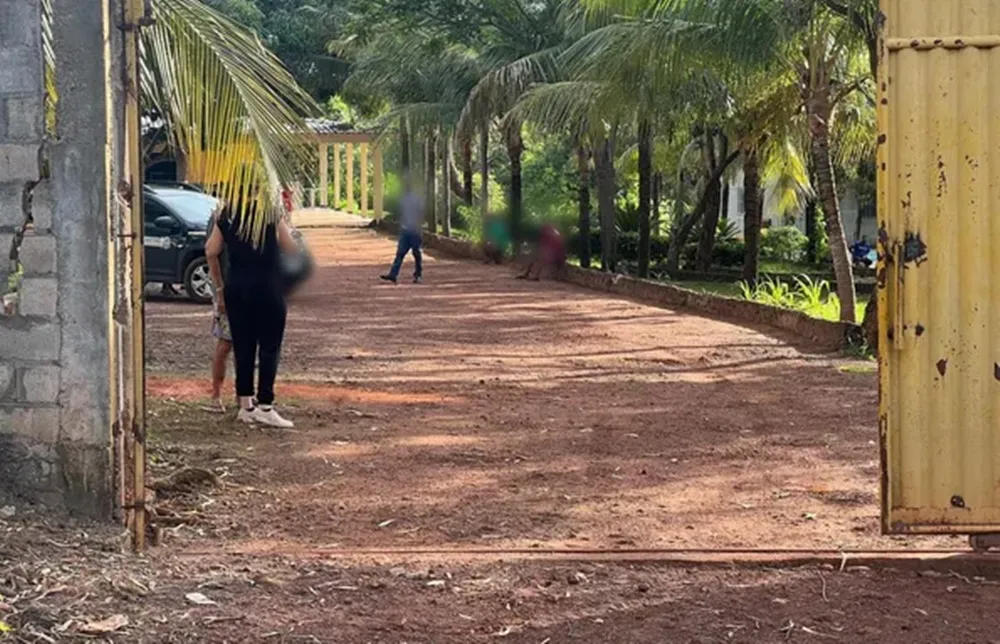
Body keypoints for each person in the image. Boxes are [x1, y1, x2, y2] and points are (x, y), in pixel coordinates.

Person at [205, 195, 301, 428]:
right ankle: (265, 405)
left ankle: (246, 405)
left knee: (243, 346)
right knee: (269, 346)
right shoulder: (269, 213)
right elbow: (291, 249)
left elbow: (211, 250)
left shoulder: (226, 215)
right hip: (268, 286)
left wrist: (219, 286)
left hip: (236, 288)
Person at [205, 209, 233, 413]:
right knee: (225, 343)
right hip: (227, 288)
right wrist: (220, 290)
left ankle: (244, 397)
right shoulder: (223, 217)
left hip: (245, 288)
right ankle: (216, 395)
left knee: (246, 345)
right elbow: (211, 253)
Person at [380, 177, 424, 284]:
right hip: (405, 230)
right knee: (400, 253)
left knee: (416, 253)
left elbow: (421, 214)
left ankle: (418, 275)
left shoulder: (417, 199)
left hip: (414, 230)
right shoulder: (403, 200)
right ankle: (393, 275)